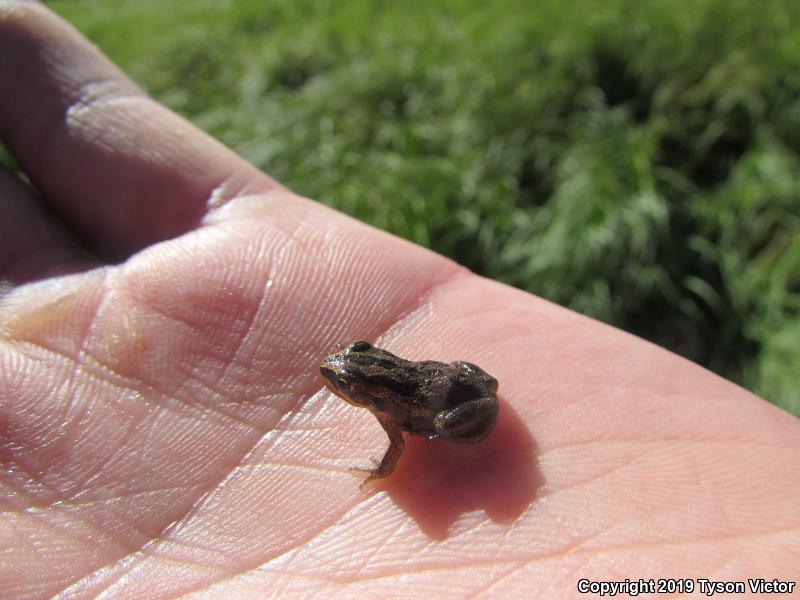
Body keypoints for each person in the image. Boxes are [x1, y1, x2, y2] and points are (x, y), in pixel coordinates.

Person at [1, 3, 798, 597]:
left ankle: (473, 419)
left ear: (367, 386)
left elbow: (397, 446)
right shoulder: (385, 390)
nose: (341, 383)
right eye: (349, 376)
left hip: (454, 401)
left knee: (451, 422)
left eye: (346, 381)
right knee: (455, 389)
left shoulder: (391, 412)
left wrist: (388, 474)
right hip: (442, 376)